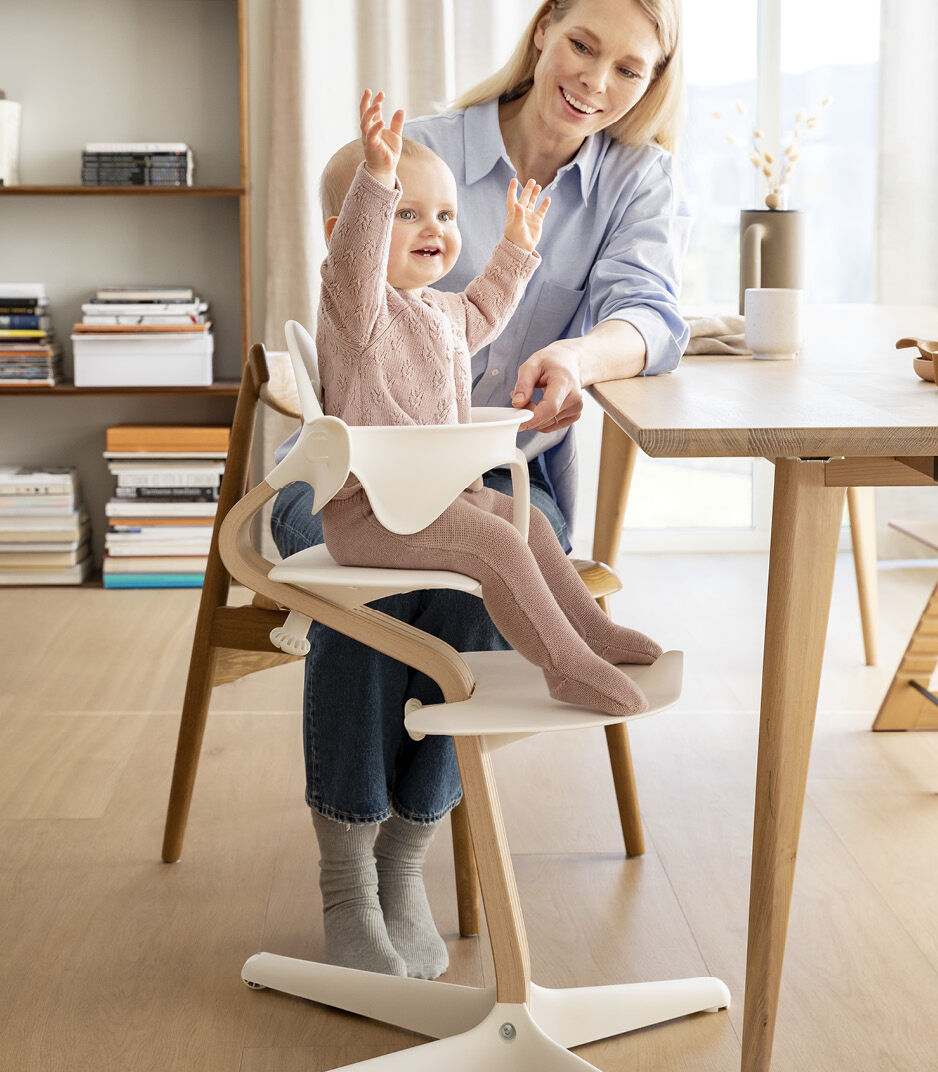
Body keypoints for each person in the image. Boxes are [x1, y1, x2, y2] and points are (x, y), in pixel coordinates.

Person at [270, 0, 689, 983]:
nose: (594, 79)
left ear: (652, 82)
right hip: (348, 486)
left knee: (506, 532)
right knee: (421, 578)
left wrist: (552, 313)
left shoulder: (622, 186)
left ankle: (405, 853)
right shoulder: (405, 176)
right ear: (542, 29)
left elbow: (635, 312)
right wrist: (383, 176)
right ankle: (348, 873)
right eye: (581, 43)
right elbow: (351, 255)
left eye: (628, 68)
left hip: (470, 475)